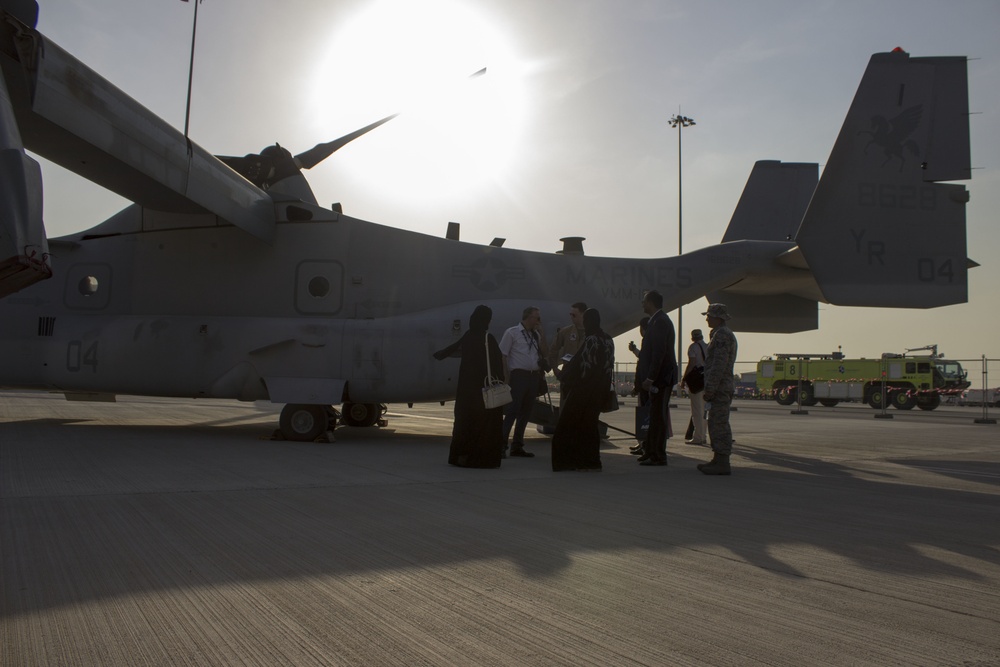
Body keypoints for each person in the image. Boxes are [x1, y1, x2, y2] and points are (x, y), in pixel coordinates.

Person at [433, 305, 504, 468]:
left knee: (464, 422)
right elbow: (496, 363)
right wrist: (500, 379)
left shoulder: (468, 336)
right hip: (483, 390)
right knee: (485, 424)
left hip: (466, 390)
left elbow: (454, 348)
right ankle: (481, 458)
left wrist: (440, 354)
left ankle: (460, 455)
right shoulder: (488, 338)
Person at [551, 308, 614, 471]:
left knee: (568, 425)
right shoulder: (608, 340)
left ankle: (569, 461)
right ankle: (591, 460)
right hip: (600, 391)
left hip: (585, 391)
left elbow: (582, 366)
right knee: (589, 426)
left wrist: (564, 376)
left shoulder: (591, 340)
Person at [498, 306, 548, 458]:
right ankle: (501, 444)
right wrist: (506, 376)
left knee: (526, 412)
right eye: (537, 318)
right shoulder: (512, 332)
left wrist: (542, 334)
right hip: (518, 375)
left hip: (533, 375)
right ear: (528, 318)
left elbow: (545, 352)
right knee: (512, 410)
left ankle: (517, 445)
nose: (539, 321)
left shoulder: (535, 335)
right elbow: (503, 355)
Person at [637, 290, 676, 467]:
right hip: (657, 379)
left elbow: (659, 353)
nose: (642, 304)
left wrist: (651, 378)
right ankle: (650, 451)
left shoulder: (660, 322)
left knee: (659, 418)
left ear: (651, 302)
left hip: (661, 379)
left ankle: (659, 455)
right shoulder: (656, 321)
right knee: (653, 417)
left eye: (644, 301)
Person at [698, 303, 738, 475]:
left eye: (709, 315)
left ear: (718, 317)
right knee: (716, 422)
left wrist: (711, 388)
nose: (707, 318)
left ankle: (722, 461)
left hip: (720, 387)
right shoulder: (720, 334)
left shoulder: (722, 336)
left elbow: (718, 365)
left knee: (719, 423)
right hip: (721, 386)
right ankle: (718, 458)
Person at [548, 302, 588, 402]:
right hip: (569, 376)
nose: (571, 317)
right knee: (566, 406)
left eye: (574, 315)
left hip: (586, 376)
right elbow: (553, 350)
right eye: (570, 314)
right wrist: (555, 369)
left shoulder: (592, 334)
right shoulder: (565, 332)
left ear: (583, 315)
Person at [682, 329, 709, 446]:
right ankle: (703, 436)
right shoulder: (708, 346)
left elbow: (691, 363)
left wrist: (684, 379)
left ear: (692, 337)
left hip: (697, 382)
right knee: (704, 411)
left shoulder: (693, 347)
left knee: (697, 411)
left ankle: (698, 437)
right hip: (706, 380)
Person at [629, 316, 650, 455]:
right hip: (644, 385)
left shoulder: (649, 340)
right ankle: (642, 442)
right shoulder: (649, 340)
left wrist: (638, 386)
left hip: (645, 385)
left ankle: (645, 444)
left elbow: (644, 363)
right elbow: (643, 358)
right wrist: (635, 350)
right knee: (645, 414)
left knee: (645, 415)